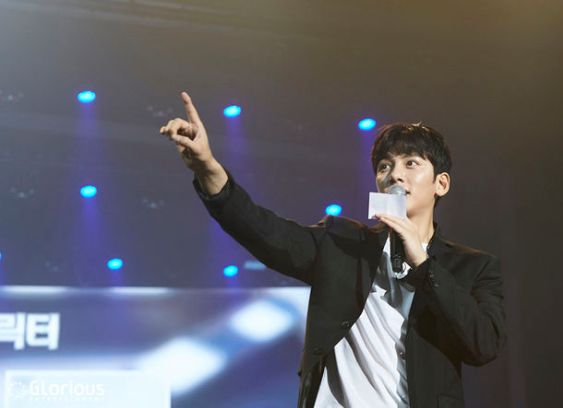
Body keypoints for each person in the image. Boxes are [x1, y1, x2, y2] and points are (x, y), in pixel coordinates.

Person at [159, 92, 506, 408]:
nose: (394, 175)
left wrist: (424, 264)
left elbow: (483, 346)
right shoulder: (343, 245)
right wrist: (208, 167)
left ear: (441, 183)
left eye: (411, 163)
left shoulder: (473, 267)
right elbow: (263, 231)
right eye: (385, 166)